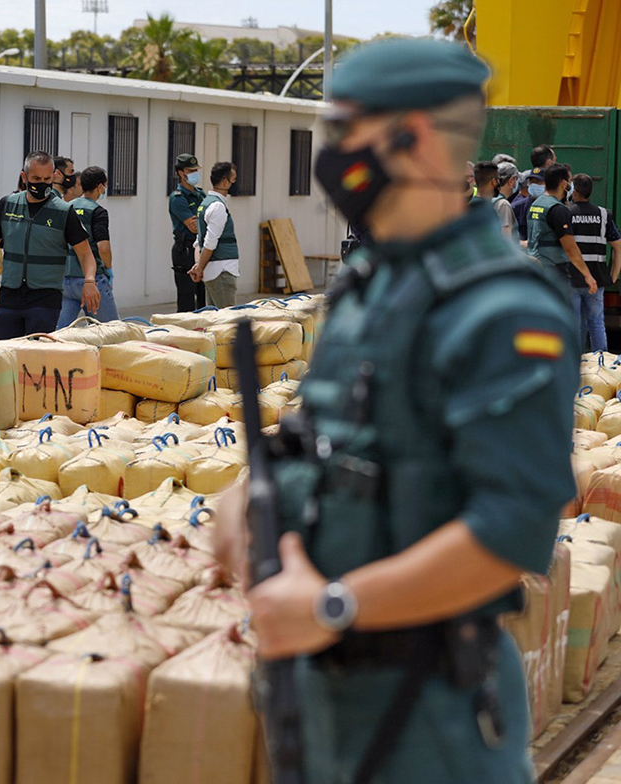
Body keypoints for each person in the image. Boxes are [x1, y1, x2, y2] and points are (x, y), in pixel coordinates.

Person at [214, 38, 577, 784]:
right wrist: (245, 498)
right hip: (327, 695)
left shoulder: (502, 308)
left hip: (429, 712)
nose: (331, 154)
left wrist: (336, 605)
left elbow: (511, 529)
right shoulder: (368, 286)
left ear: (410, 138)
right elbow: (327, 443)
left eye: (345, 131)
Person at [0, 151, 98, 339]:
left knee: (35, 358)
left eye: (46, 178)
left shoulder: (64, 212)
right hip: (10, 296)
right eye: (36, 178)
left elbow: (85, 254)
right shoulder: (7, 205)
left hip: (45, 298)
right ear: (24, 177)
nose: (41, 183)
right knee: (4, 355)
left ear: (53, 177)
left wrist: (90, 281)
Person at [58, 166, 117, 327]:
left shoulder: (67, 207)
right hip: (91, 282)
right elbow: (103, 248)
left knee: (60, 333)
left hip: (67, 281)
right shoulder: (97, 212)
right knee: (112, 331)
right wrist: (108, 269)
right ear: (100, 186)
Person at [527, 164, 596, 298]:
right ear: (564, 183)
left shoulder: (535, 204)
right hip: (553, 271)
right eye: (569, 182)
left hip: (535, 267)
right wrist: (587, 275)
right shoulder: (558, 209)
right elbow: (570, 248)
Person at [569, 173, 621, 351]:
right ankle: (601, 363)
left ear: (574, 191)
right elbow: (618, 246)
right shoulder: (604, 214)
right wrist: (613, 274)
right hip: (597, 279)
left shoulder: (567, 213)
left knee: (575, 325)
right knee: (596, 323)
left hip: (573, 278)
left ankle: (577, 364)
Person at [188, 161, 241, 307]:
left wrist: (199, 265)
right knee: (227, 321)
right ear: (225, 182)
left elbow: (199, 241)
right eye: (234, 179)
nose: (235, 183)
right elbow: (210, 243)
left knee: (215, 320)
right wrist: (199, 268)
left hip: (213, 271)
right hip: (222, 271)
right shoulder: (217, 206)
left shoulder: (205, 204)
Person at [168, 153, 206, 311]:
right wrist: (207, 221)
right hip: (185, 249)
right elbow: (194, 227)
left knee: (204, 295)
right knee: (186, 297)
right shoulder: (178, 198)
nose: (194, 174)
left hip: (203, 248)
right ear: (180, 173)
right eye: (190, 171)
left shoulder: (201, 194)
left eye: (195, 170)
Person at [513, 168, 545, 244]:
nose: (534, 185)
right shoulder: (518, 207)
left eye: (538, 182)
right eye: (531, 182)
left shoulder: (552, 207)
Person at [494, 161, 520, 242]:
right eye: (516, 179)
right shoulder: (503, 204)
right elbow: (506, 242)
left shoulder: (489, 199)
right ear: (511, 181)